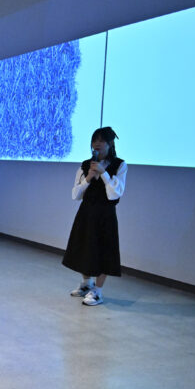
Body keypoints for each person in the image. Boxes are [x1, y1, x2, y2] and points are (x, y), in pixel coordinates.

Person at [62, 126, 127, 307]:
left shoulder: (120, 165)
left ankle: (97, 292)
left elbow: (115, 194)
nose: (96, 144)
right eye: (94, 141)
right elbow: (75, 194)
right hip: (86, 212)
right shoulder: (85, 165)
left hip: (105, 215)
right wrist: (89, 177)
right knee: (84, 248)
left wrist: (104, 173)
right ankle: (86, 284)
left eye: (101, 141)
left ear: (110, 144)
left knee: (103, 251)